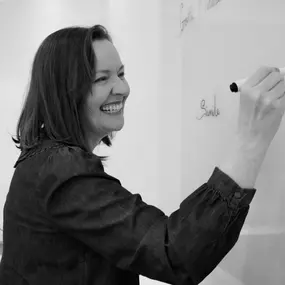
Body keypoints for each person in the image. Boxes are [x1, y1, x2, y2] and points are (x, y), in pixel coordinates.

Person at [0, 24, 284, 285]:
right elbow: (177, 253)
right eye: (102, 78)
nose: (123, 88)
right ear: (65, 91)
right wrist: (251, 139)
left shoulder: (43, 159)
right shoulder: (59, 168)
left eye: (121, 74)